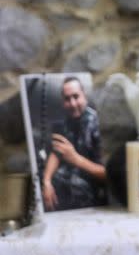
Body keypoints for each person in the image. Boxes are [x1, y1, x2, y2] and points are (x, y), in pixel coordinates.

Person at [41, 77, 106, 211]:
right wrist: (46, 181)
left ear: (84, 96)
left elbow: (107, 174)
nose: (73, 103)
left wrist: (76, 159)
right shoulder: (65, 124)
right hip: (64, 198)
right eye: (67, 99)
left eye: (76, 97)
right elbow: (57, 152)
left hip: (92, 203)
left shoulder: (99, 125)